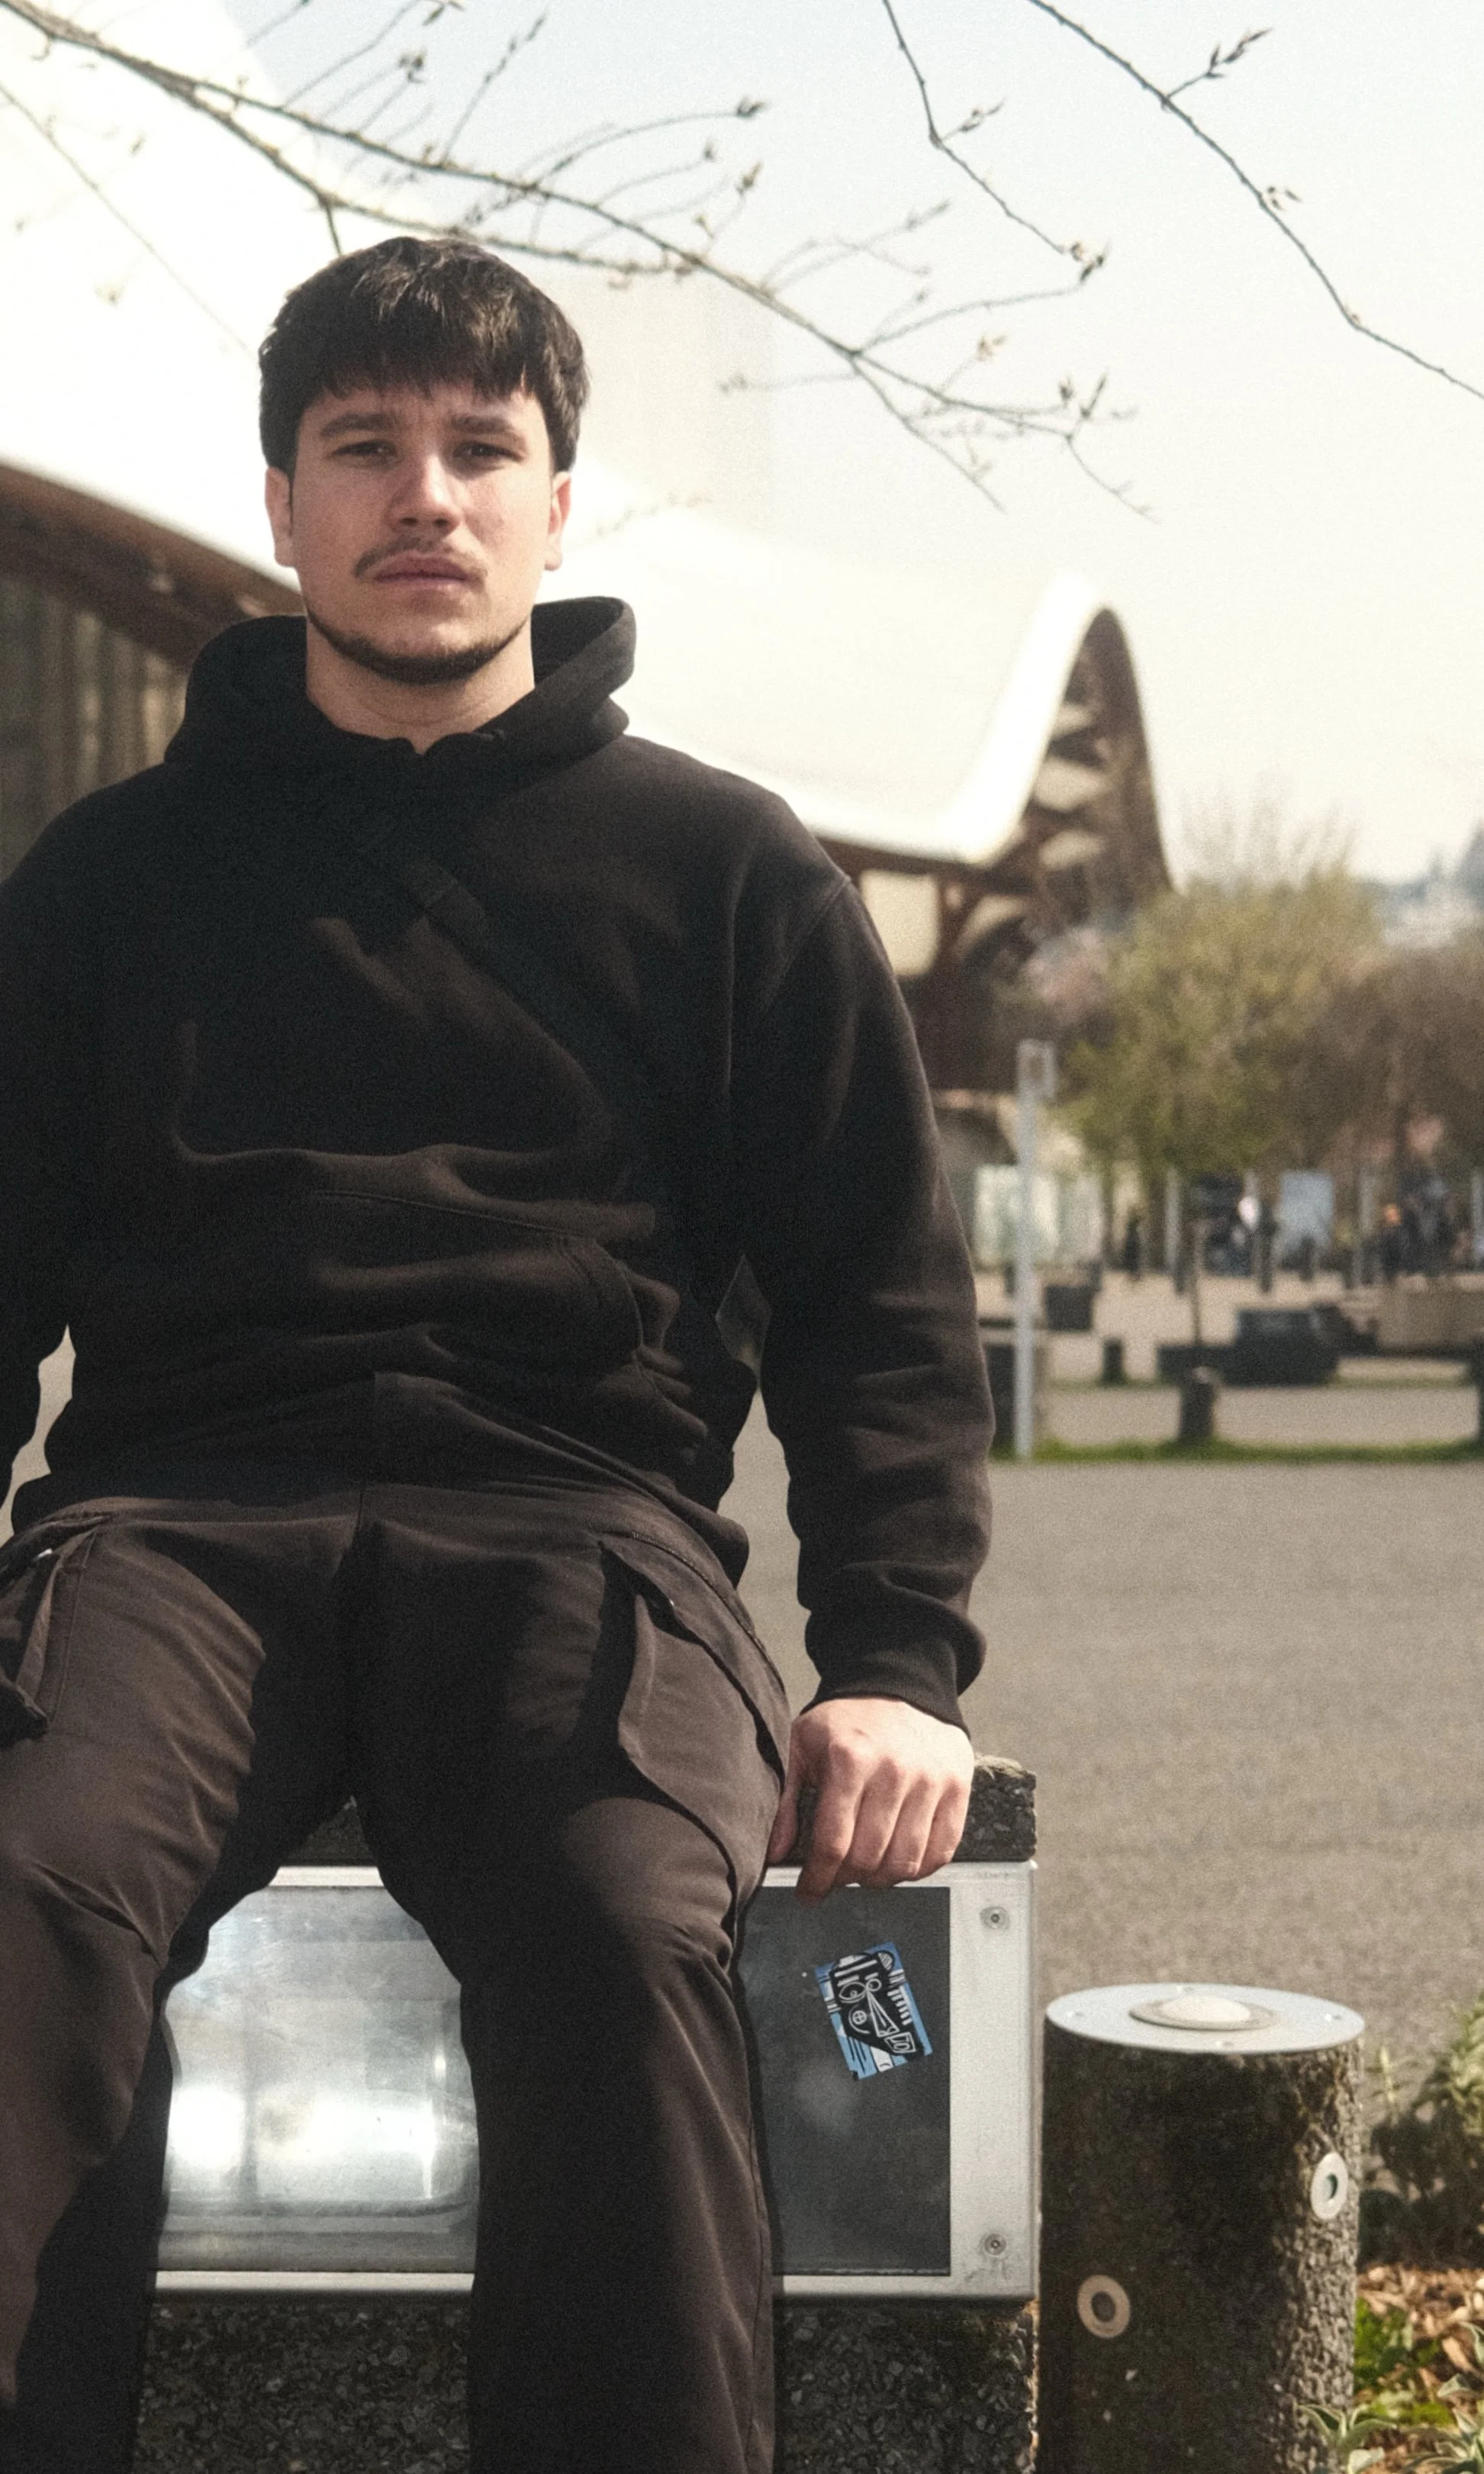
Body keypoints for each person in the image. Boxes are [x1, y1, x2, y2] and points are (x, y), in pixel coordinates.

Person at [0, 238, 992, 2474]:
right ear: (282, 505)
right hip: (177, 1526)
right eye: (367, 448)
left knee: (628, 1924)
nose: (424, 495)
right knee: (21, 1891)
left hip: (578, 1528)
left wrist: (898, 1658)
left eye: (480, 449)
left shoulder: (730, 875)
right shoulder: (109, 882)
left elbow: (879, 1297)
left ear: (559, 502)